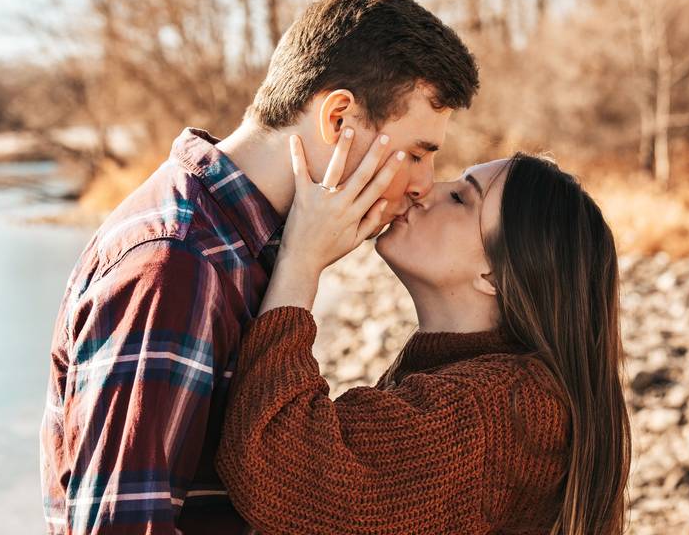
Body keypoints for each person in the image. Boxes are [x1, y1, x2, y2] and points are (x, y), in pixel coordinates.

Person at [39, 0, 479, 534]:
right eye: (415, 153)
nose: (421, 185)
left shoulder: (246, 247)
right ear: (339, 119)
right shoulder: (176, 263)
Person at [215, 135, 633, 534]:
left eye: (460, 198)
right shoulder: (480, 383)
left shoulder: (495, 407)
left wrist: (301, 258)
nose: (425, 189)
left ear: (494, 275)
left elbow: (276, 466)